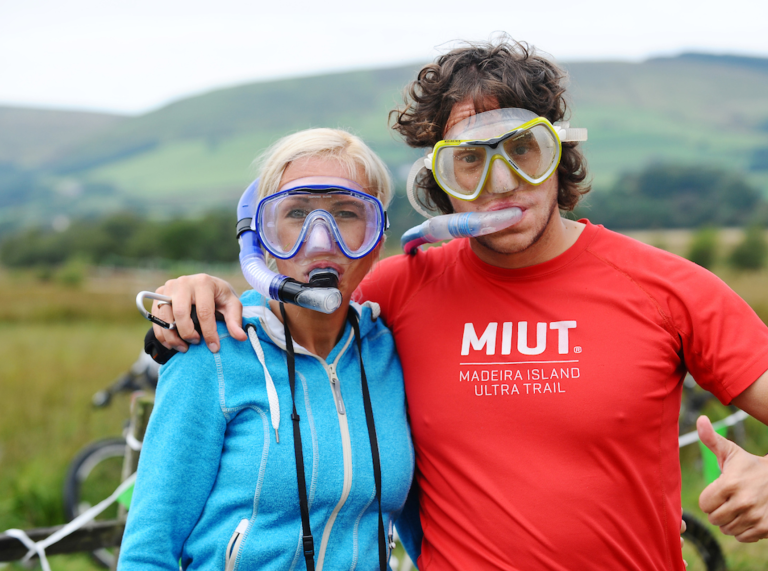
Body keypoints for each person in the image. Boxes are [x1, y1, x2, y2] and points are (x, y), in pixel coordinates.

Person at [150, 41, 768, 570]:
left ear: (560, 155)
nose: (500, 184)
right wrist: (196, 294)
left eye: (523, 150)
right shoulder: (398, 288)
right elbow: (289, 316)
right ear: (437, 183)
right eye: (469, 161)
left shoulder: (668, 289)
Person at [118, 128, 416, 570]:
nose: (321, 240)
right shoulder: (214, 349)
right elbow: (147, 552)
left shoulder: (389, 352)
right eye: (296, 213)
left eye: (348, 213)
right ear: (261, 235)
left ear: (377, 239)